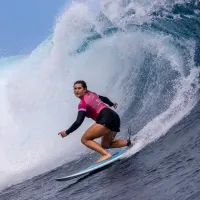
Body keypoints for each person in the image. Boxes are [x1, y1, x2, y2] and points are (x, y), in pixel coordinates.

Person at [58, 80, 133, 163]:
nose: (77, 91)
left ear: (85, 89)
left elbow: (78, 122)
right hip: (115, 117)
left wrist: (67, 132)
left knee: (84, 139)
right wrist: (111, 104)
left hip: (106, 118)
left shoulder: (83, 104)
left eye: (79, 88)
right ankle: (130, 143)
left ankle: (106, 155)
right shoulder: (92, 94)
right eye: (75, 89)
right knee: (106, 145)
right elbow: (104, 98)